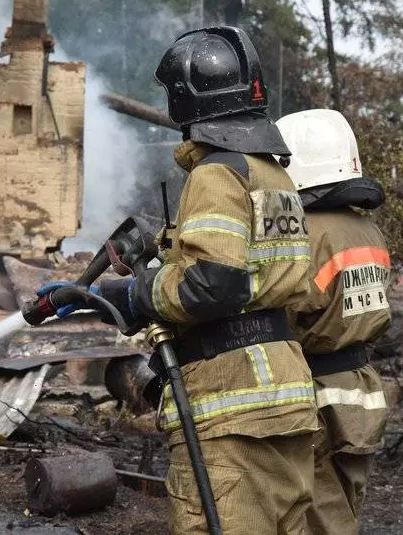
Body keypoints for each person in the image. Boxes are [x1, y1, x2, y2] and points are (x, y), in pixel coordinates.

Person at [38, 26, 320, 533]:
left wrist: (137, 291)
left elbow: (214, 285)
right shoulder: (273, 178)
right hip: (285, 400)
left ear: (186, 102)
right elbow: (252, 278)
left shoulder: (215, 175)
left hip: (230, 405)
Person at [274, 108, 392, 535]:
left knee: (318, 517)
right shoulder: (366, 229)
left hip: (313, 395)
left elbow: (281, 311)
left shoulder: (304, 232)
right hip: (358, 392)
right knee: (346, 503)